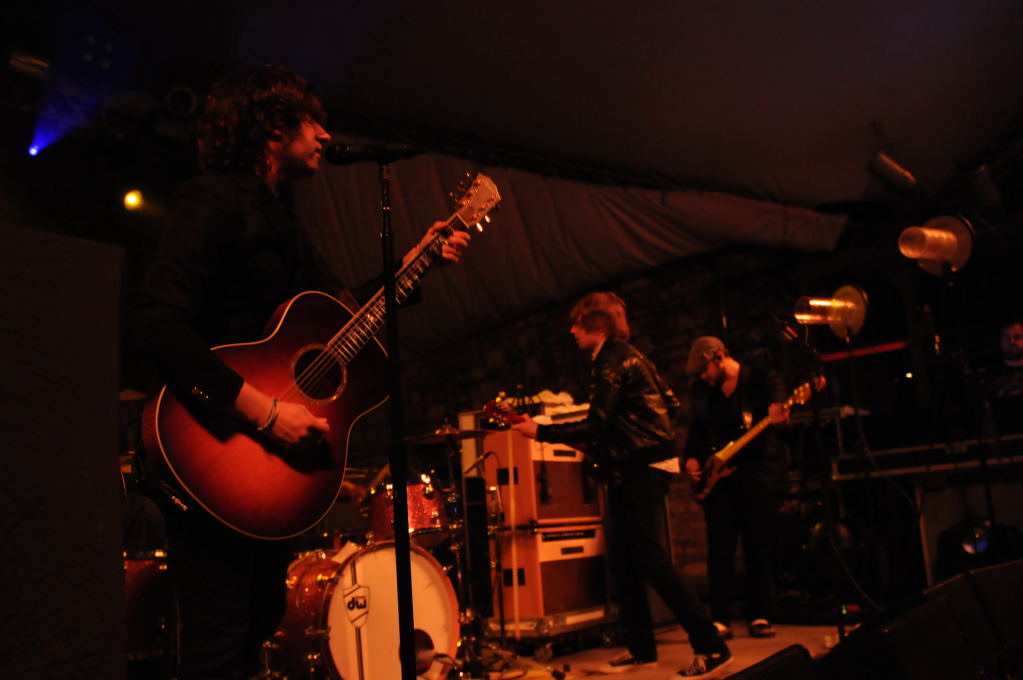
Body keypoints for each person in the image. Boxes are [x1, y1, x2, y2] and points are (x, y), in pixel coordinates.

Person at [134, 65, 470, 680]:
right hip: (213, 447)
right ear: (271, 127)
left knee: (259, 620)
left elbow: (337, 318)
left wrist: (417, 263)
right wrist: (265, 412)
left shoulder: (283, 217)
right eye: (312, 121)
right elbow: (158, 325)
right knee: (218, 640)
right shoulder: (210, 200)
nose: (325, 134)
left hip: (269, 474)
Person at [511, 293, 731, 679]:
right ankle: (642, 648)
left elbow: (597, 424)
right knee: (624, 561)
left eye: (578, 324)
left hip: (640, 466)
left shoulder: (611, 359)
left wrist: (540, 430)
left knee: (652, 560)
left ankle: (711, 646)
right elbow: (669, 402)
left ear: (596, 326)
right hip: (634, 464)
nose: (572, 331)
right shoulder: (628, 354)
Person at [683, 336, 789, 642]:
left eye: (703, 370)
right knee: (720, 549)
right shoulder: (703, 390)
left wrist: (780, 418)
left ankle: (761, 614)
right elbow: (697, 428)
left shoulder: (763, 380)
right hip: (721, 479)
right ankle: (720, 617)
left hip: (758, 474)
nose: (702, 377)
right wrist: (691, 459)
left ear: (718, 358)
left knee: (758, 546)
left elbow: (781, 423)